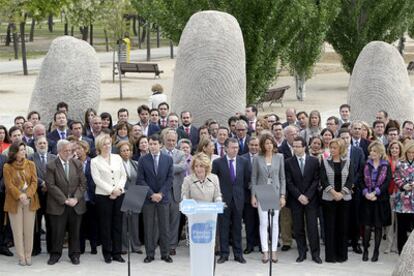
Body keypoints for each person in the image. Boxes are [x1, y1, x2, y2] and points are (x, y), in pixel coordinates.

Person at [45, 140, 86, 265]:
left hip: (75, 204)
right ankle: (55, 254)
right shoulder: (51, 165)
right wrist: (64, 200)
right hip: (58, 204)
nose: (69, 153)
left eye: (70, 150)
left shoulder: (77, 164)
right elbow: (51, 185)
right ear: (59, 151)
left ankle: (74, 254)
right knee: (58, 232)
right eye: (66, 151)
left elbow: (83, 184)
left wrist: (76, 198)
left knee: (75, 231)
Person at [212, 138, 250, 264]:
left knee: (237, 227)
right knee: (224, 227)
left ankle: (238, 254)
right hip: (223, 200)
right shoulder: (218, 163)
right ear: (226, 148)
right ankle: (224, 254)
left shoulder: (243, 161)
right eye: (233, 147)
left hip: (238, 199)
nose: (235, 150)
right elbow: (214, 181)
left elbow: (246, 180)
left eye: (237, 148)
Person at [137, 134, 174, 263]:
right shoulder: (143, 160)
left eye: (154, 144)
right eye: (150, 144)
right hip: (149, 199)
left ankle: (165, 254)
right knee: (149, 227)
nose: (152, 146)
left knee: (164, 227)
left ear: (160, 145)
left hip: (163, 198)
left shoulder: (168, 159)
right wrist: (152, 194)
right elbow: (140, 180)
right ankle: (150, 254)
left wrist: (161, 194)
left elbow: (170, 179)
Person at [285, 136, 322, 264]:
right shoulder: (288, 162)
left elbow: (316, 180)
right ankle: (302, 252)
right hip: (296, 200)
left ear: (304, 147)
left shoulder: (314, 161)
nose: (295, 148)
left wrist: (307, 196)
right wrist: (299, 196)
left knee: (312, 228)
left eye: (298, 146)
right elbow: (289, 182)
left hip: (311, 200)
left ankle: (315, 254)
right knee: (298, 227)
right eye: (293, 146)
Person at [91, 134, 127, 263]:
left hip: (119, 195)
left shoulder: (117, 158)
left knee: (118, 224)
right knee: (106, 225)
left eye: (109, 143)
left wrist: (118, 190)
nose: (107, 146)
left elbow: (123, 175)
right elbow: (97, 179)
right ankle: (107, 253)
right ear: (99, 146)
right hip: (103, 197)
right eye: (105, 144)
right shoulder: (94, 161)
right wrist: (111, 190)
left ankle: (117, 253)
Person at [251, 133, 286, 263]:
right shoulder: (257, 158)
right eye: (266, 143)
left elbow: (282, 177)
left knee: (274, 223)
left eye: (271, 143)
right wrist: (253, 196)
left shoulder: (280, 157)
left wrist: (283, 195)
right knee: (264, 223)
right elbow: (254, 177)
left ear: (274, 144)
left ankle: (274, 251)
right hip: (262, 192)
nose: (269, 145)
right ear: (263, 145)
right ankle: (265, 251)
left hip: (275, 192)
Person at [3, 142, 40, 266]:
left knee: (29, 230)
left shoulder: (31, 164)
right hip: (14, 201)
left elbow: (34, 182)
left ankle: (28, 255)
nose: (23, 152)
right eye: (20, 150)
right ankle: (21, 256)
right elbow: (9, 185)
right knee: (17, 231)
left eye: (24, 149)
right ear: (14, 153)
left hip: (30, 201)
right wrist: (20, 195)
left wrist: (27, 195)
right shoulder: (7, 166)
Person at [320, 138, 354, 263]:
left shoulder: (348, 161)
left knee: (343, 227)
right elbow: (323, 180)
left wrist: (342, 193)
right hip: (329, 199)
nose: (332, 150)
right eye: (331, 147)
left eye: (335, 148)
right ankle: (330, 256)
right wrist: (334, 193)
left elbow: (351, 179)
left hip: (344, 199)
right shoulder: (324, 161)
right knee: (330, 227)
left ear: (341, 149)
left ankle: (342, 255)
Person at [360, 141, 391, 262]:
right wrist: (366, 193)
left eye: (374, 151)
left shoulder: (386, 165)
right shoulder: (365, 164)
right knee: (367, 226)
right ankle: (366, 250)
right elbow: (360, 180)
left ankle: (376, 251)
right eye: (371, 151)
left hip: (380, 200)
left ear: (380, 153)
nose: (371, 153)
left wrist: (375, 193)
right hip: (367, 199)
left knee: (378, 227)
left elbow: (387, 182)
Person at [29, 136, 57, 255]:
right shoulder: (30, 158)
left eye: (44, 143)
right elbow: (31, 174)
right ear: (35, 145)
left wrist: (49, 184)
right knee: (36, 223)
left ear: (47, 145)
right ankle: (36, 248)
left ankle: (51, 248)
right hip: (36, 194)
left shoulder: (54, 158)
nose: (42, 145)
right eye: (40, 143)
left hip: (51, 195)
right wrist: (43, 183)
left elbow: (57, 174)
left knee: (51, 222)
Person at [161, 130, 186, 256]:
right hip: (162, 191)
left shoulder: (181, 153)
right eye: (169, 140)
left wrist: (165, 166)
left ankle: (172, 245)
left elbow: (182, 167)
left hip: (176, 191)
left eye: (173, 141)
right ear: (164, 140)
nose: (171, 143)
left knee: (174, 220)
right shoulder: (159, 152)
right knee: (162, 219)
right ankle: (163, 243)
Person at [117, 141, 142, 254]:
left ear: (131, 152)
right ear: (119, 153)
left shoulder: (136, 163)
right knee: (123, 223)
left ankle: (136, 246)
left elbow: (139, 179)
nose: (126, 152)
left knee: (134, 222)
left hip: (134, 194)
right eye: (123, 150)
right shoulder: (117, 164)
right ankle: (124, 247)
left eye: (128, 150)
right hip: (122, 194)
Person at [75, 141, 98, 255]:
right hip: (79, 198)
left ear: (86, 149)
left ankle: (94, 246)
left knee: (93, 223)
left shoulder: (92, 162)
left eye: (80, 148)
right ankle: (81, 247)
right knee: (80, 224)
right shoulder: (74, 162)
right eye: (76, 149)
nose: (77, 151)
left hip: (91, 197)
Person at [393, 141, 414, 254]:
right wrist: (403, 185)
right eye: (409, 152)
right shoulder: (400, 164)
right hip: (402, 201)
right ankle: (401, 251)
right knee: (401, 228)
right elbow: (396, 177)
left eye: (413, 152)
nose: (411, 154)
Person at [241, 137, 260, 255]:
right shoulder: (242, 159)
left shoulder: (264, 157)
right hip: (248, 195)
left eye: (256, 145)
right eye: (252, 145)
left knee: (262, 222)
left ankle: (262, 244)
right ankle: (250, 245)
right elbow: (240, 176)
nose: (254, 147)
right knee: (249, 221)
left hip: (263, 193)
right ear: (248, 145)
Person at [384, 140, 403, 254]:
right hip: (389, 193)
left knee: (399, 222)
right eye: (392, 148)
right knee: (390, 221)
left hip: (401, 194)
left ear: (400, 150)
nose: (394, 150)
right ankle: (389, 245)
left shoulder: (403, 162)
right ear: (389, 150)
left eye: (397, 148)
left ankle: (396, 245)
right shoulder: (386, 162)